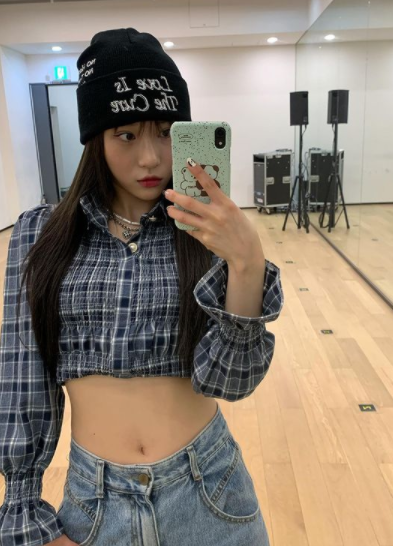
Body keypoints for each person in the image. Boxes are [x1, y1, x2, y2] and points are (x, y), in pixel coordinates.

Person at [0, 28, 284, 546]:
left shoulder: (205, 234)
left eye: (165, 132)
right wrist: (25, 514)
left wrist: (246, 263)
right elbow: (23, 381)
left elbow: (232, 382)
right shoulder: (40, 235)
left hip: (211, 494)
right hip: (96, 507)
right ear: (96, 139)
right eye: (126, 135)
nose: (151, 158)